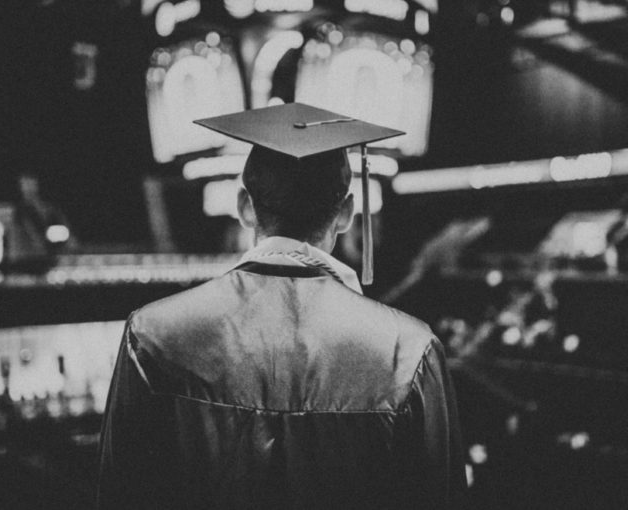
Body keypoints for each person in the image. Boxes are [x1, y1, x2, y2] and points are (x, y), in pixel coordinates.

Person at [97, 103, 466, 509]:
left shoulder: (152, 337)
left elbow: (121, 496)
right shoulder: (408, 351)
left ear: (243, 205)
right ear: (345, 212)